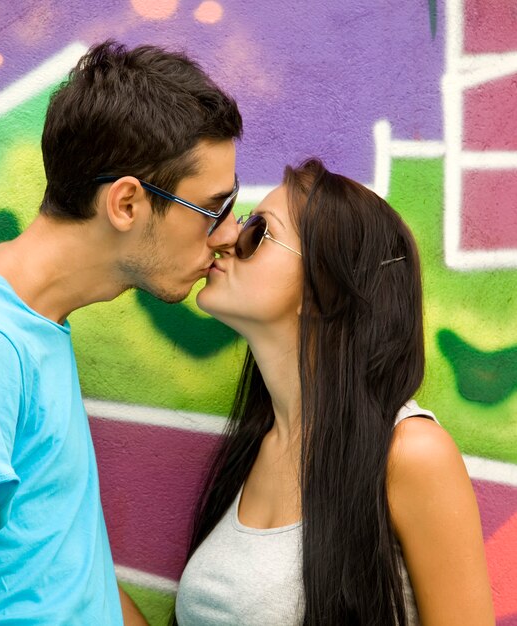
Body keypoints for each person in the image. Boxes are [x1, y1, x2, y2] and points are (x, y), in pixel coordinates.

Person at [174, 159, 495, 625]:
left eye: (257, 232)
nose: (224, 239)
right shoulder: (254, 447)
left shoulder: (410, 453)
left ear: (322, 286)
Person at [0, 40, 241, 625]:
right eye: (213, 208)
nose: (228, 234)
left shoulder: (38, 325)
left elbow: (56, 559)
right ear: (126, 203)